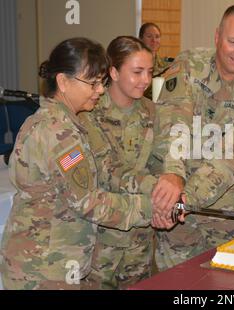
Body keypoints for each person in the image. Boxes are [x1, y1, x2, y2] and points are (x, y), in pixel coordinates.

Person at [0, 38, 162, 289]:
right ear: (63, 81)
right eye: (93, 83)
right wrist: (153, 207)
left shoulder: (52, 121)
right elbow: (89, 202)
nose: (99, 90)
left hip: (43, 262)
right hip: (44, 270)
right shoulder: (60, 133)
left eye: (101, 82)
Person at [149, 4, 234, 271]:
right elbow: (173, 122)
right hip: (176, 199)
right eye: (233, 41)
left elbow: (230, 158)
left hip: (227, 212)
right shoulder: (188, 65)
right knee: (177, 282)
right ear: (217, 36)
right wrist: (173, 175)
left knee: (227, 283)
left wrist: (184, 199)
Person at [78, 36, 182, 289]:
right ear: (113, 72)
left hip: (139, 236)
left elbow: (164, 159)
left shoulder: (152, 111)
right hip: (99, 237)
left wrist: (172, 188)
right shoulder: (89, 112)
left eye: (149, 72)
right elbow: (107, 172)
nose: (145, 80)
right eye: (137, 72)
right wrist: (160, 194)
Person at [139, 22, 174, 99]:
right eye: (149, 36)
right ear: (140, 39)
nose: (154, 40)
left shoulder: (167, 65)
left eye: (157, 37)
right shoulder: (136, 64)